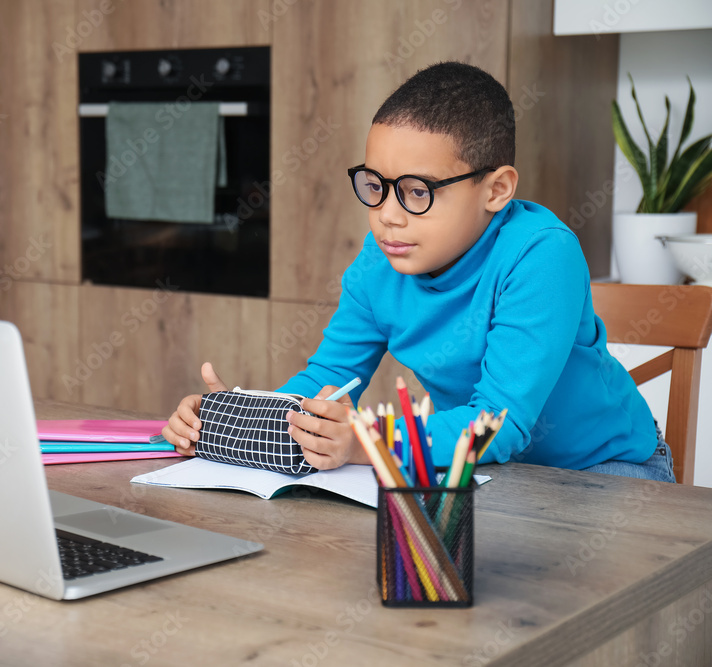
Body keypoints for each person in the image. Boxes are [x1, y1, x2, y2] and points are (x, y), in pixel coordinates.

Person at [162, 61, 675, 483]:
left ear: (496, 190)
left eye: (416, 191)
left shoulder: (542, 257)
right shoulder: (379, 261)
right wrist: (233, 421)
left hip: (604, 470)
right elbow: (326, 382)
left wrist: (368, 439)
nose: (387, 214)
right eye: (375, 185)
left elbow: (500, 425)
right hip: (483, 474)